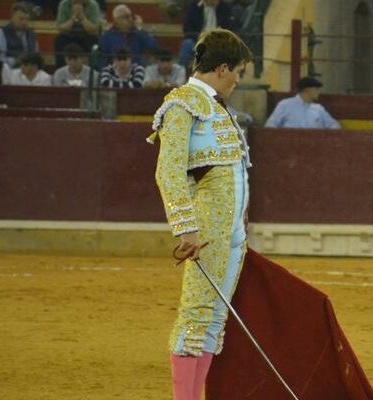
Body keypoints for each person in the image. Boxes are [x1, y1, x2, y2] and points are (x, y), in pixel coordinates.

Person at [148, 28, 253, 400]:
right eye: (238, 72)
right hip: (205, 230)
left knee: (214, 320)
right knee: (196, 316)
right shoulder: (182, 104)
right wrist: (185, 228)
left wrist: (239, 225)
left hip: (230, 233)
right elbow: (169, 170)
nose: (238, 81)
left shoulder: (217, 109)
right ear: (223, 68)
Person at [265, 76, 341, 129]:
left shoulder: (319, 109)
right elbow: (270, 125)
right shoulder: (285, 105)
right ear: (308, 89)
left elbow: (333, 125)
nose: (319, 92)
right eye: (317, 89)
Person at [178, 0, 235, 68]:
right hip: (198, 40)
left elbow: (231, 28)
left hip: (219, 42)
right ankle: (179, 74)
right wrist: (200, 38)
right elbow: (187, 29)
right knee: (187, 43)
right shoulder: (195, 7)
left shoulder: (225, 8)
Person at [54, 0, 102, 67]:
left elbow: (93, 30)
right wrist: (73, 18)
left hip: (87, 35)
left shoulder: (93, 5)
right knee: (59, 40)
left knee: (93, 40)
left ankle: (92, 71)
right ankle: (61, 70)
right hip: (69, 36)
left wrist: (82, 17)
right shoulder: (64, 4)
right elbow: (61, 28)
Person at [0, 2, 39, 67]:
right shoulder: (1, 33)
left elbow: (36, 55)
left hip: (30, 71)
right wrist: (16, 61)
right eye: (21, 19)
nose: (24, 22)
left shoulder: (32, 33)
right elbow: (0, 60)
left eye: (27, 19)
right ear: (12, 17)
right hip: (10, 72)